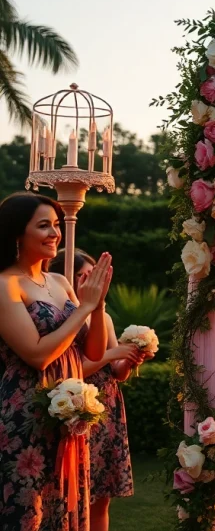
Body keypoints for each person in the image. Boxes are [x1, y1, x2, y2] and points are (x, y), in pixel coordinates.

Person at [0, 192, 112, 531]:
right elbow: (37, 354)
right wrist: (83, 308)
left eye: (56, 225)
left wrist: (99, 304)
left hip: (68, 417)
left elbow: (92, 354)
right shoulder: (5, 285)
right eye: (44, 226)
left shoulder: (60, 282)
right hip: (25, 417)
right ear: (17, 233)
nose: (55, 234)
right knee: (29, 511)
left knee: (65, 505)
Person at [50, 249, 148, 531]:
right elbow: (71, 367)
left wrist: (130, 358)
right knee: (77, 494)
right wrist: (110, 354)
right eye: (83, 276)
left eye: (95, 276)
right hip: (76, 408)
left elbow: (116, 373)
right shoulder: (64, 317)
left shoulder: (103, 317)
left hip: (108, 410)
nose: (90, 282)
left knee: (102, 498)